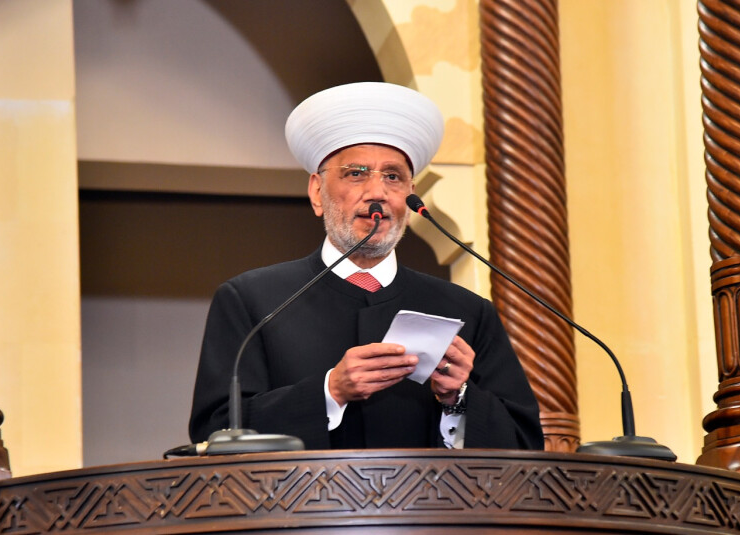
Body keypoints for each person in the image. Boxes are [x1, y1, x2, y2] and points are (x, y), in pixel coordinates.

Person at [189, 82, 543, 450]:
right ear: (317, 192)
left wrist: (459, 397)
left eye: (393, 177)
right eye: (356, 173)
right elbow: (214, 433)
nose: (377, 193)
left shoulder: (468, 311)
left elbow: (524, 445)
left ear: (410, 198)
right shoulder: (252, 300)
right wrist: (331, 391)